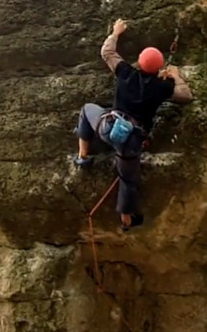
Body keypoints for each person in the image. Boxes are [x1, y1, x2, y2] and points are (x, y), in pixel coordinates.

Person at [74, 18, 194, 231]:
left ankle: (83, 157)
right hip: (129, 142)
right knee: (128, 180)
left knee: (86, 110)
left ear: (139, 61)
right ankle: (126, 222)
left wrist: (116, 33)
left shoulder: (126, 72)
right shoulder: (161, 88)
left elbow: (107, 52)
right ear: (158, 69)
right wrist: (175, 77)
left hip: (107, 126)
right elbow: (186, 96)